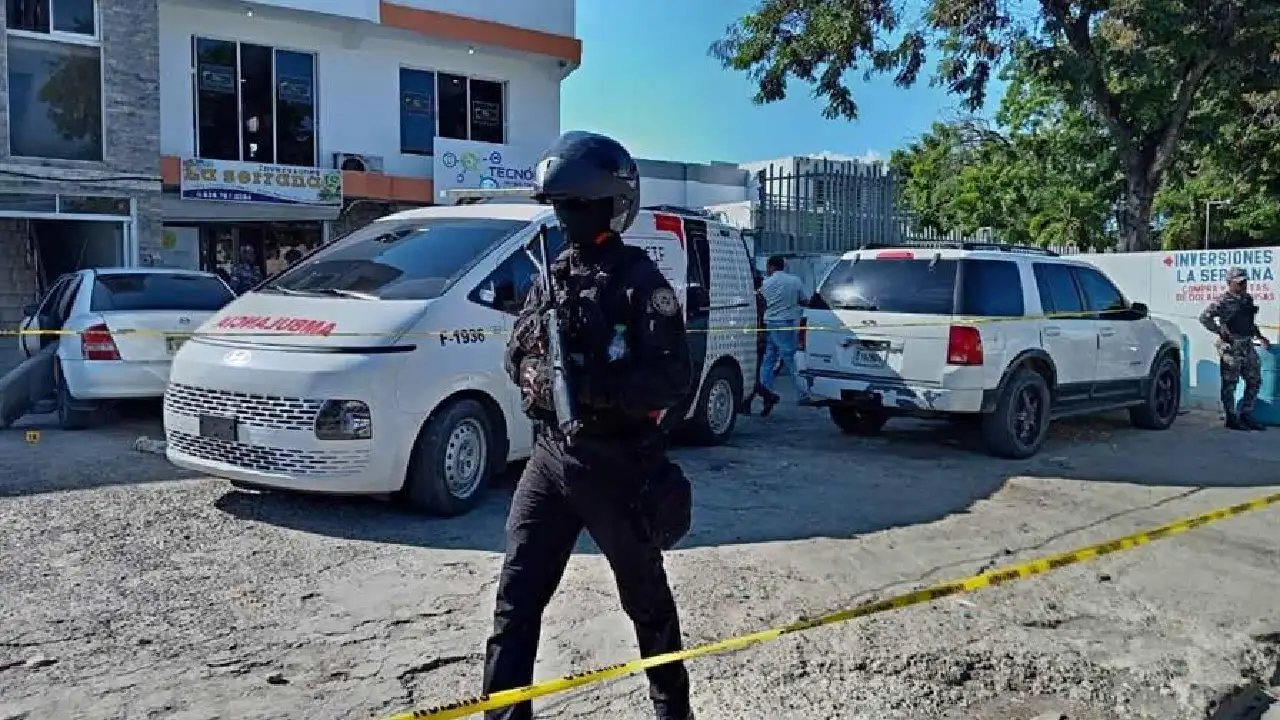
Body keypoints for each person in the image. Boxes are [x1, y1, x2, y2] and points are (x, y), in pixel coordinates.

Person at [483, 131, 696, 720]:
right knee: (516, 601)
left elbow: (673, 378)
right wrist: (534, 375)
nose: (564, 217)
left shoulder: (640, 282)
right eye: (559, 207)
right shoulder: (552, 274)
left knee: (647, 606)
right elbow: (518, 349)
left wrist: (596, 389)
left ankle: (672, 714)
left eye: (574, 206)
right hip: (551, 460)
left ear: (607, 205)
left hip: (618, 465)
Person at [1199, 266, 1271, 431]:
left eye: (1245, 282)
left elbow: (1249, 321)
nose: (1243, 285)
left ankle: (1246, 413)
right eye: (1239, 283)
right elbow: (1204, 318)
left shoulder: (1247, 299)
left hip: (1247, 343)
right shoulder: (1223, 301)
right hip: (1231, 346)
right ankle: (1231, 417)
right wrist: (1219, 331)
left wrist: (1260, 336)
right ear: (1230, 283)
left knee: (1255, 380)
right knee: (1230, 383)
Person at [754, 255, 810, 416]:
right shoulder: (795, 281)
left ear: (771, 266)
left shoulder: (766, 283)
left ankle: (767, 391)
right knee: (790, 358)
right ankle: (803, 392)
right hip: (787, 323)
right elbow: (805, 301)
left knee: (769, 359)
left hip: (770, 323)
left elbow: (759, 301)